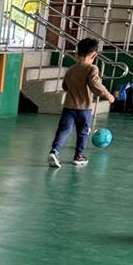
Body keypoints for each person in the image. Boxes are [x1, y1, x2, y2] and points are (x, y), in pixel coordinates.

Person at [48, 37, 115, 168]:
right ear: (94, 55)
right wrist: (108, 95)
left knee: (63, 130)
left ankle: (54, 151)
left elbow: (65, 86)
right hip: (84, 109)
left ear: (76, 54)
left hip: (69, 107)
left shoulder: (71, 70)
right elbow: (95, 84)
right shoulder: (92, 69)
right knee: (83, 132)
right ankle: (79, 156)